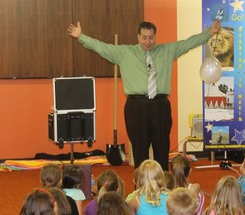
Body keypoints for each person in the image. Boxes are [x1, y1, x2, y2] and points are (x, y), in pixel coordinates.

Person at [67, 19, 221, 170]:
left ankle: (162, 187)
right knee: (140, 151)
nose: (148, 42)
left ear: (156, 36)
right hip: (136, 106)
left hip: (160, 105)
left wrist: (209, 33)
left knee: (162, 149)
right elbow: (101, 47)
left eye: (151, 37)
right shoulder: (124, 53)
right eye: (144, 38)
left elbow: (189, 43)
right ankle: (140, 188)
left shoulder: (167, 50)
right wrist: (81, 37)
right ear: (138, 37)